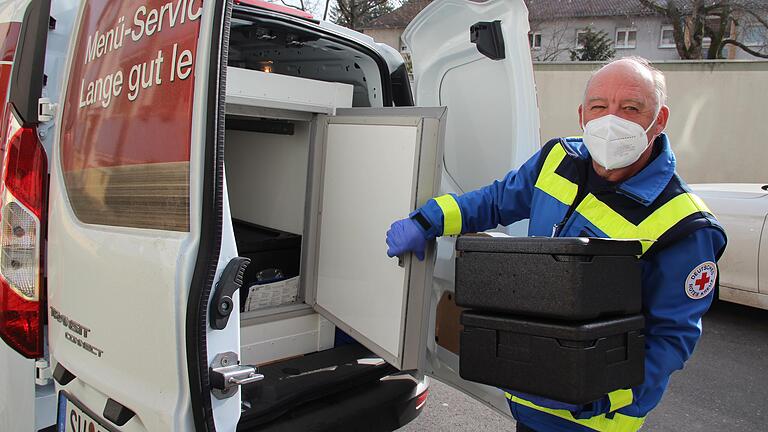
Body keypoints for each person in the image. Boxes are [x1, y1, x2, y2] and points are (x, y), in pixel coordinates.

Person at [385, 57, 727, 432]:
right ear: (582, 114)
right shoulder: (558, 158)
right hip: (528, 396)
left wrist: (598, 395)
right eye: (599, 106)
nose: (612, 119)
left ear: (658, 120)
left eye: (631, 108)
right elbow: (497, 200)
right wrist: (428, 220)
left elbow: (671, 339)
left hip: (593, 422)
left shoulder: (685, 224)